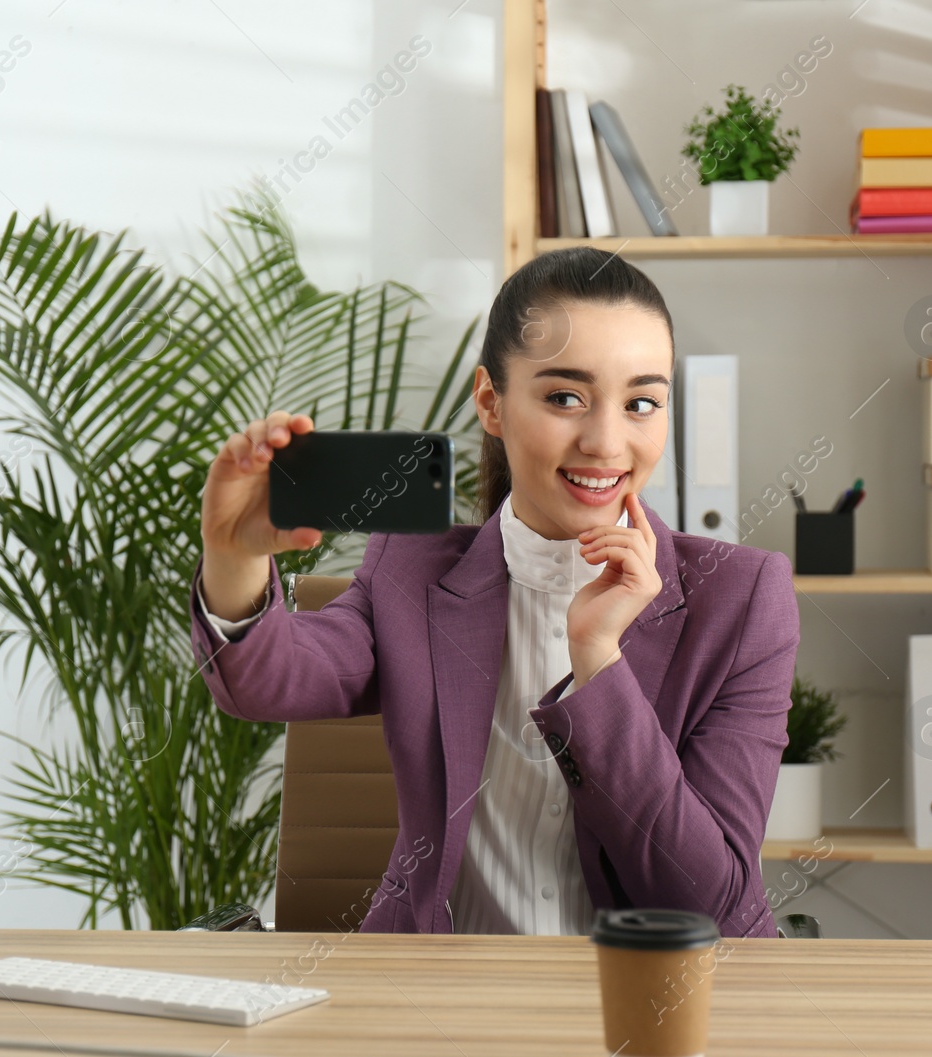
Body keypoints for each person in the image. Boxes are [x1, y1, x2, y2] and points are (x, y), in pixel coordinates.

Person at [188, 246, 799, 940]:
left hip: (654, 1009)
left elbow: (706, 904)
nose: (605, 441)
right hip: (442, 1000)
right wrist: (232, 554)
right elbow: (270, 681)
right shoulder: (410, 567)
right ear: (491, 402)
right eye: (565, 397)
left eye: (641, 403)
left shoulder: (742, 600)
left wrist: (598, 660)